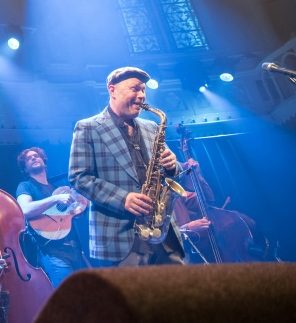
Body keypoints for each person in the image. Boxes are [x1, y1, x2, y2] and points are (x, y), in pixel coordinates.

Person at [69, 66, 184, 267]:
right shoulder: (87, 127)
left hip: (163, 234)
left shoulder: (151, 127)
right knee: (133, 298)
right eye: (135, 89)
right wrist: (123, 199)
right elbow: (79, 177)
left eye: (143, 90)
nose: (141, 96)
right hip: (121, 239)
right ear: (112, 90)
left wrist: (173, 166)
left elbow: (175, 173)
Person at [15, 147, 86, 288]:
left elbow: (75, 215)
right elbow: (24, 209)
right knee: (67, 297)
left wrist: (83, 203)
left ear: (44, 162)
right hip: (53, 251)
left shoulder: (57, 188)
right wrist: (55, 199)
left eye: (36, 156)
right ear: (25, 169)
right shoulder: (26, 186)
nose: (34, 158)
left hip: (75, 248)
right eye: (29, 159)